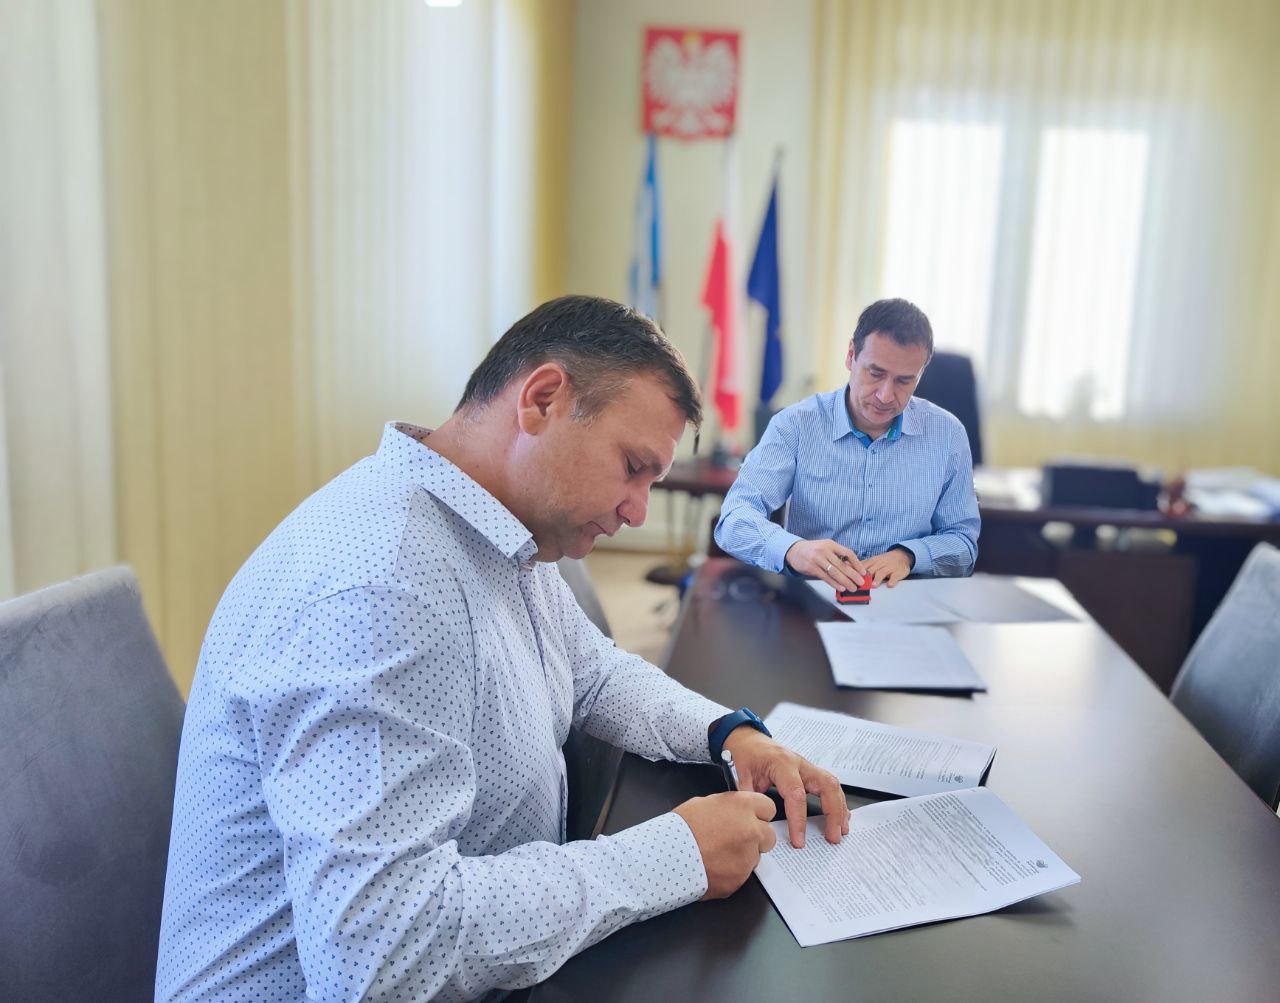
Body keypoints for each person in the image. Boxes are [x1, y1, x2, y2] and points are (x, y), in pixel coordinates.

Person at [156, 295, 849, 1002]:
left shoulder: (498, 527)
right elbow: (379, 956)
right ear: (543, 400)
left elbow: (593, 672)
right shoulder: (380, 588)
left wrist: (728, 733)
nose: (638, 510)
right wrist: (673, 856)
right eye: (632, 466)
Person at [715, 298, 979, 594]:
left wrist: (909, 556)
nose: (885, 395)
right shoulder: (795, 425)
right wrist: (793, 549)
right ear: (851, 356)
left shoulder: (948, 435)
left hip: (905, 601)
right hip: (813, 599)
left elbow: (963, 544)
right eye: (875, 373)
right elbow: (734, 520)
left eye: (904, 381)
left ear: (921, 373)